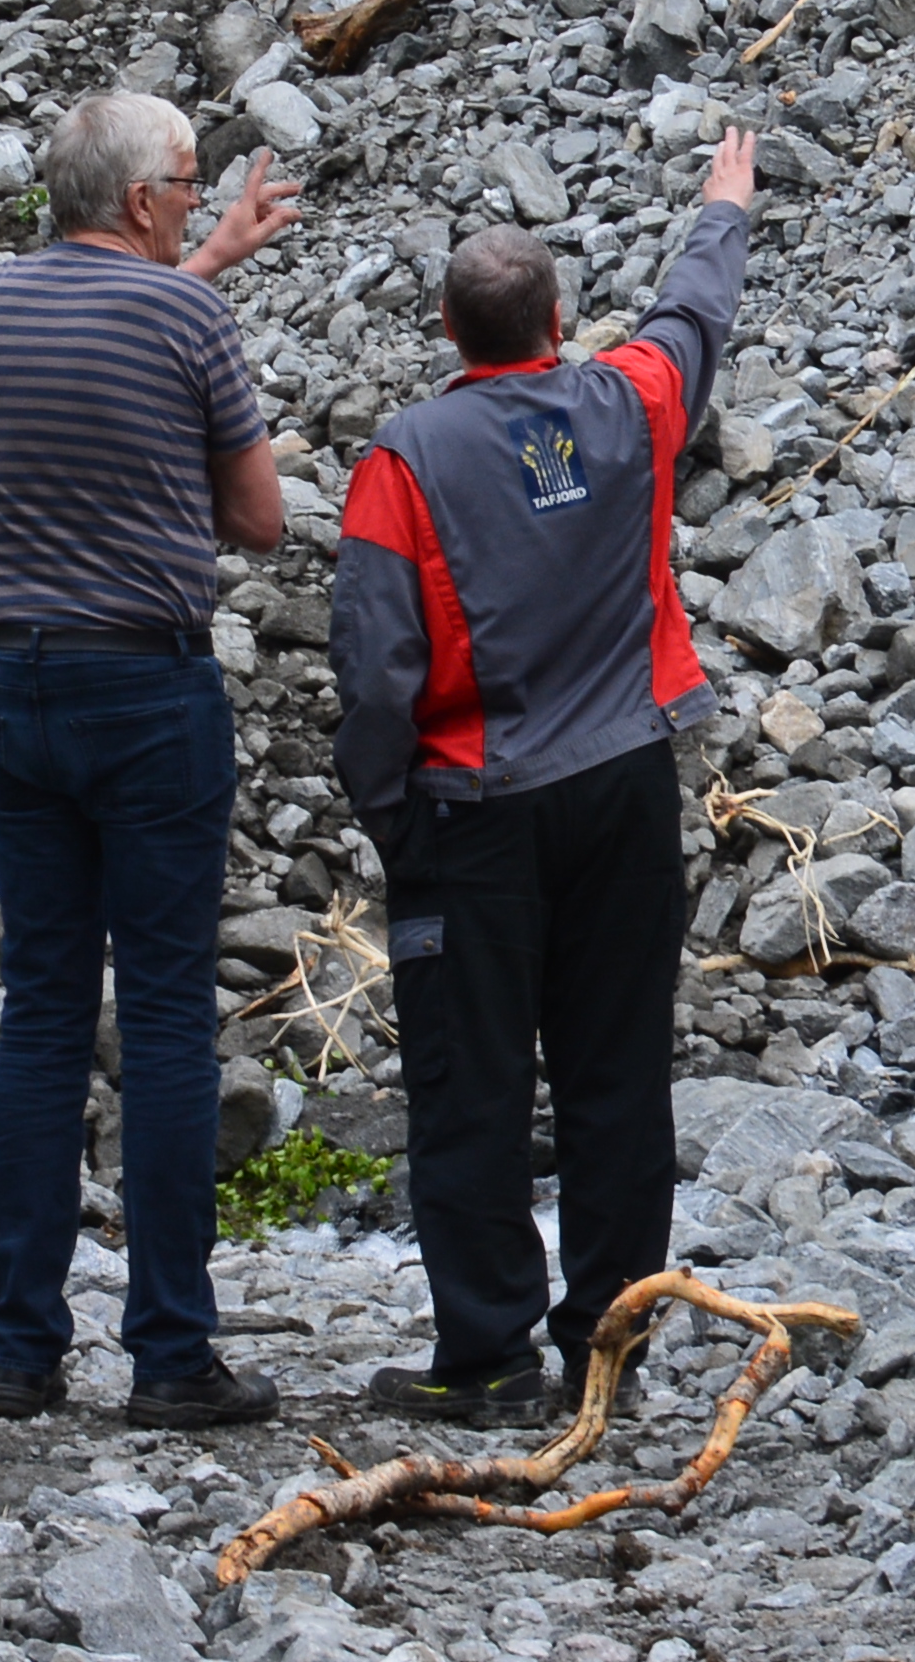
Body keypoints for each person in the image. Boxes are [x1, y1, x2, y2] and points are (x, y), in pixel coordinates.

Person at [328, 127, 767, 1422]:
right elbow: (697, 312)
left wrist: (390, 812)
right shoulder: (628, 399)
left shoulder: (402, 462)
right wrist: (723, 202)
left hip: (477, 810)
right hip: (627, 784)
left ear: (447, 330)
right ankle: (609, 1347)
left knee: (471, 1083)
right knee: (618, 1071)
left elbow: (373, 666)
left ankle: (487, 1358)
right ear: (558, 321)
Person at [0, 87, 299, 1428]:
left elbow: (118, 322)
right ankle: (169, 1353)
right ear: (147, 199)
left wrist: (207, 259)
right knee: (160, 1012)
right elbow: (260, 521)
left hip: (15, 680)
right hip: (146, 689)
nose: (195, 201)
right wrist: (205, 294)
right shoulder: (191, 320)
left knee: (42, 1009)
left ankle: (20, 1351)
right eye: (189, 185)